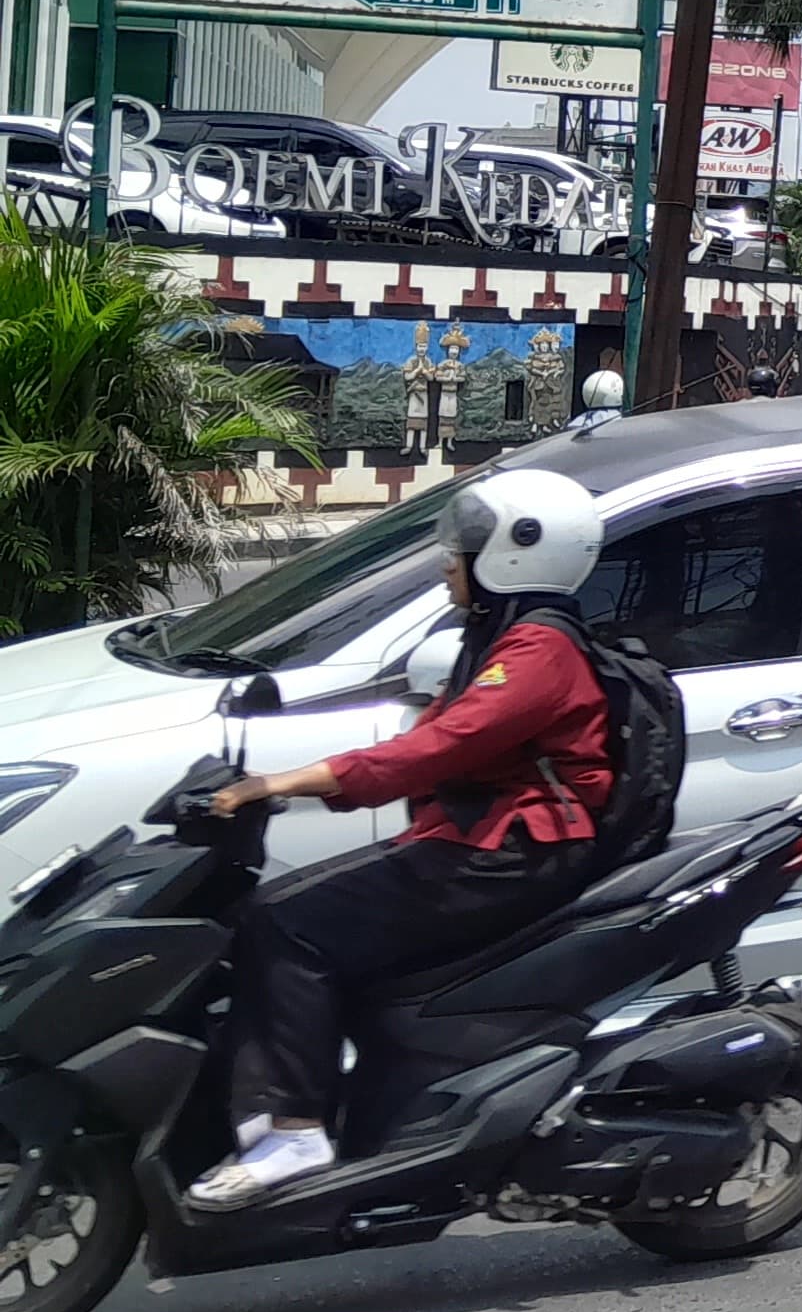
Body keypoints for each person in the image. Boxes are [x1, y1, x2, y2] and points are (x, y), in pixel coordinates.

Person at [185, 469, 618, 1208]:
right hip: (478, 840)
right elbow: (426, 742)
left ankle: (291, 1130)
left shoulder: (539, 651)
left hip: (516, 852)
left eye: (463, 550)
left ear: (518, 552)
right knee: (294, 911)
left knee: (286, 925)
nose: (449, 563)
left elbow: (439, 748)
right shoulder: (500, 636)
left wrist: (283, 785)